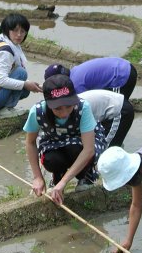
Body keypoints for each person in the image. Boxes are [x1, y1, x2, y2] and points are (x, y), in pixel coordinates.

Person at [25, 74, 107, 203]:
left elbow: (89, 149)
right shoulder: (37, 112)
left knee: (75, 148)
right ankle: (57, 176)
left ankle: (85, 175)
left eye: (69, 106)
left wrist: (64, 183)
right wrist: (37, 177)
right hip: (54, 142)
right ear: (48, 103)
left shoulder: (83, 107)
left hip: (81, 143)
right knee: (51, 160)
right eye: (57, 109)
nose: (64, 113)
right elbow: (30, 143)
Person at [44, 57, 137, 99]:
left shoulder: (76, 85)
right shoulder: (75, 72)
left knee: (116, 106)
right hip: (123, 65)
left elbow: (86, 105)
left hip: (121, 76)